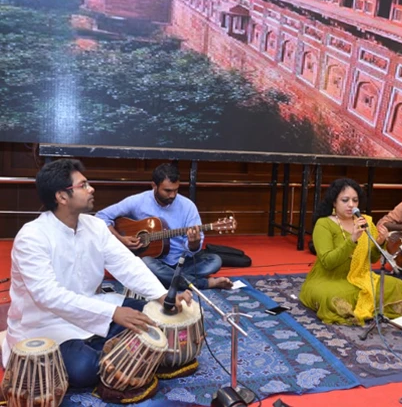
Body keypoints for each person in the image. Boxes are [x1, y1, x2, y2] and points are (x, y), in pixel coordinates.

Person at [3, 159, 193, 388]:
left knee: (152, 314)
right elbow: (49, 296)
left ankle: (105, 348)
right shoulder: (32, 237)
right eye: (83, 185)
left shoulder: (95, 226)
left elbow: (126, 264)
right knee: (84, 368)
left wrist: (162, 295)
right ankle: (105, 349)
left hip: (93, 305)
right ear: (61, 197)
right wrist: (113, 313)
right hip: (47, 323)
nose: (91, 189)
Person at [95, 163, 232, 290]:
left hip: (181, 261)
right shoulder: (138, 201)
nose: (172, 195)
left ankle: (166, 279)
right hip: (153, 261)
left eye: (176, 190)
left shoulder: (188, 206)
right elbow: (101, 216)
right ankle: (204, 283)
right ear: (154, 186)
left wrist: (193, 244)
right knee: (147, 263)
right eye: (167, 191)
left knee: (215, 261)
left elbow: (194, 248)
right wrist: (121, 239)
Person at [299, 178, 402, 325]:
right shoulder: (324, 224)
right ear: (334, 202)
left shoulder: (365, 222)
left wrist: (380, 242)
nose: (351, 205)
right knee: (332, 297)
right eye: (345, 200)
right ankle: (369, 307)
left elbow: (372, 260)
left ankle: (368, 308)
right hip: (331, 279)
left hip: (360, 277)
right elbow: (328, 262)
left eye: (355, 200)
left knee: (396, 285)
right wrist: (352, 240)